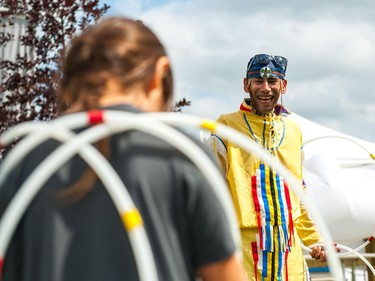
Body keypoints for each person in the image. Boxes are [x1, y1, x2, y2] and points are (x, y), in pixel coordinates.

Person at [0, 17, 248, 281]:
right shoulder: (179, 153)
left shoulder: (24, 159)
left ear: (71, 83)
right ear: (158, 74)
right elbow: (224, 274)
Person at [207, 54, 335, 280]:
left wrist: (315, 239)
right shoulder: (226, 126)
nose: (265, 88)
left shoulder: (294, 131)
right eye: (258, 81)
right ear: (246, 84)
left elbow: (299, 193)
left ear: (283, 86)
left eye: (272, 81)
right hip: (244, 252)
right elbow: (210, 190)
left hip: (289, 255)